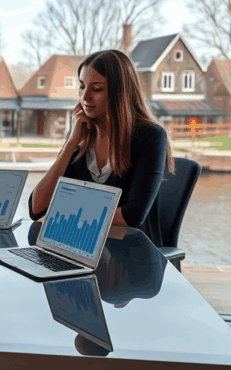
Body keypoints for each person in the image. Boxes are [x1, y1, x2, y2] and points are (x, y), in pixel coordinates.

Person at [28, 49, 175, 247]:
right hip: (82, 248)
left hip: (132, 255)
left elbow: (132, 216)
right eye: (81, 87)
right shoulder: (81, 136)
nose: (85, 97)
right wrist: (71, 143)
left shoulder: (151, 136)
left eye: (96, 89)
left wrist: (66, 210)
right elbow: (37, 208)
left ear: (120, 92)